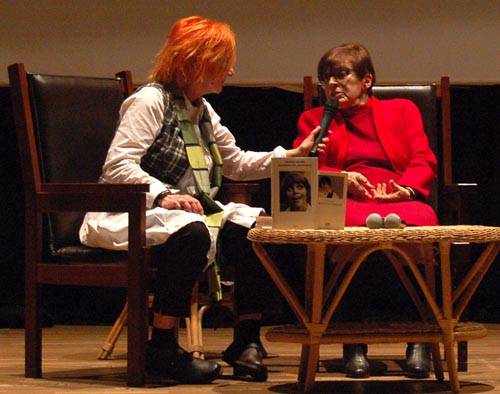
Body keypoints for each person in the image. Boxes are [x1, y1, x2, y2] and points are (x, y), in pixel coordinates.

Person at [79, 16, 320, 384]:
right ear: (196, 61)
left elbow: (236, 162)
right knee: (192, 231)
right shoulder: (149, 101)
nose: (231, 69)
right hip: (131, 211)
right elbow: (118, 165)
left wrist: (292, 154)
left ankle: (246, 340)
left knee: (254, 229)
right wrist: (164, 195)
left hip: (184, 211)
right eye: (223, 62)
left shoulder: (201, 109)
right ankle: (161, 347)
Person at [293, 43, 437, 379]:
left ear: (367, 79)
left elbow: (423, 159)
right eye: (326, 78)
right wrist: (339, 178)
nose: (332, 84)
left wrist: (406, 189)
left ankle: (420, 339)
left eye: (341, 75)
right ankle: (353, 343)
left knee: (419, 221)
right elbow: (301, 175)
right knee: (347, 225)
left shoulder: (403, 110)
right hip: (343, 200)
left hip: (396, 196)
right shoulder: (314, 120)